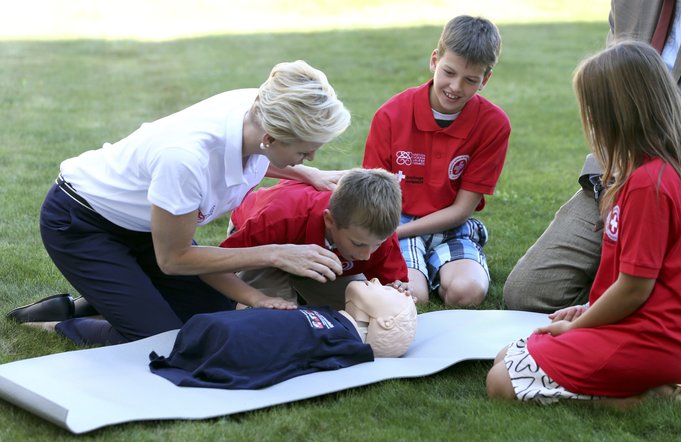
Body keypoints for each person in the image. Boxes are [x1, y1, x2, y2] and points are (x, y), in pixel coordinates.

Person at [6, 60, 351, 346]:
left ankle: (102, 301)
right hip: (82, 223)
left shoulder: (261, 108)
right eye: (305, 151)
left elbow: (257, 155)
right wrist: (276, 252)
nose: (310, 157)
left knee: (213, 312)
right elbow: (174, 258)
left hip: (148, 223)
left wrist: (310, 174)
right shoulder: (186, 159)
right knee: (163, 341)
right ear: (271, 137)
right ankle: (58, 322)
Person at [486, 41, 681, 406]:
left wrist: (576, 327)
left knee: (501, 382)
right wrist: (588, 309)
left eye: (591, 110)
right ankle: (649, 386)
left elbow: (635, 289)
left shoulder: (650, 184)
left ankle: (647, 396)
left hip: (651, 339)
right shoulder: (645, 174)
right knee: (506, 355)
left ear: (619, 115)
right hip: (645, 329)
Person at [504, 0, 681, 313]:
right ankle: (615, 290)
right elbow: (609, 104)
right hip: (616, 174)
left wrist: (662, 183)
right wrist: (607, 183)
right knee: (527, 293)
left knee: (661, 301)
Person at [362, 15, 511, 307]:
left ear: (486, 79)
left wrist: (397, 233)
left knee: (468, 292)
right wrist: (390, 232)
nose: (455, 87)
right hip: (397, 221)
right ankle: (422, 272)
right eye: (449, 72)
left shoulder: (494, 124)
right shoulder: (391, 115)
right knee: (411, 296)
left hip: (450, 225)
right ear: (434, 60)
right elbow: (374, 197)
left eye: (470, 80)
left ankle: (439, 268)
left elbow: (460, 210)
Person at [149, 278, 418, 389]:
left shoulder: (346, 344)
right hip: (216, 331)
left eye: (384, 290)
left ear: (385, 324)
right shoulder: (335, 318)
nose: (376, 281)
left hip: (231, 343)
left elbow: (309, 362)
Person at [218, 168, 408, 311]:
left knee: (372, 311)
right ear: (329, 220)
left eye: (376, 245)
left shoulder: (375, 232)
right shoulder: (280, 217)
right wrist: (254, 297)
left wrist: (396, 291)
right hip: (263, 245)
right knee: (274, 320)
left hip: (316, 257)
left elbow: (395, 288)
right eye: (357, 244)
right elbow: (220, 265)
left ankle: (302, 291)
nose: (366, 256)